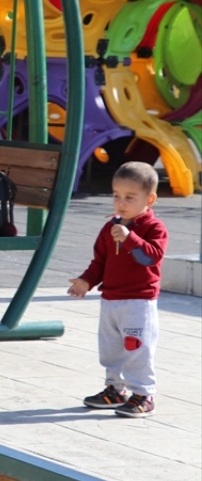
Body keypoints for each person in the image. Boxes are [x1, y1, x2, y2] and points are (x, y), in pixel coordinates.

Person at [68, 161, 168, 419]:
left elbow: (151, 257)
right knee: (110, 348)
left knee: (136, 348)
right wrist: (85, 281)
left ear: (150, 199)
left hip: (138, 302)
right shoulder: (109, 228)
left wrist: (129, 238)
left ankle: (144, 395)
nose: (121, 203)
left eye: (130, 198)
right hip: (111, 299)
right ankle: (115, 389)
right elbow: (99, 262)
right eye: (116, 196)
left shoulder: (154, 228)